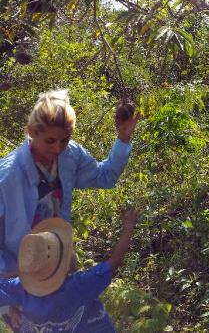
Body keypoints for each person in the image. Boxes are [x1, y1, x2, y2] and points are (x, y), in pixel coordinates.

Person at [0, 89, 139, 327]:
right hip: (19, 280)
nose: (57, 148)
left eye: (64, 139)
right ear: (32, 133)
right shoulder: (8, 176)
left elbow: (104, 177)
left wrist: (123, 139)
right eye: (50, 141)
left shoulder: (70, 155)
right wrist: (6, 302)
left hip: (59, 261)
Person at [0, 207, 139, 332]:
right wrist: (127, 229)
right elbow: (114, 262)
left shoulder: (19, 289)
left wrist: (14, 299)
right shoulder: (79, 286)